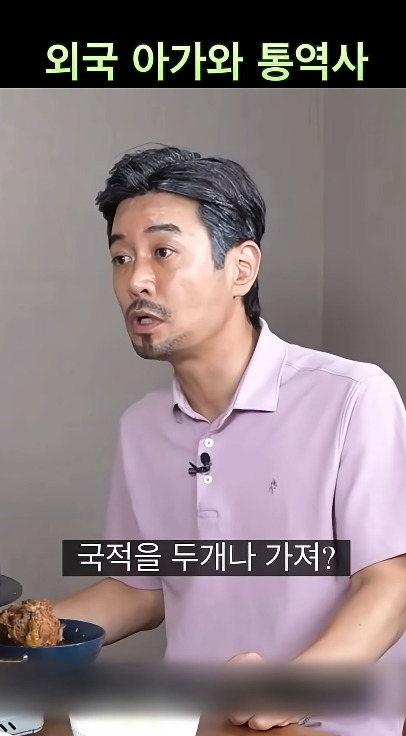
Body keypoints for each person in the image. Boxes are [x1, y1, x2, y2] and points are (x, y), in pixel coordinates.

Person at [53, 145, 406, 735]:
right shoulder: (141, 427)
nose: (136, 279)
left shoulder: (353, 397)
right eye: (120, 257)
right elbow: (140, 589)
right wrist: (20, 628)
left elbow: (391, 582)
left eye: (163, 252)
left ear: (241, 268)